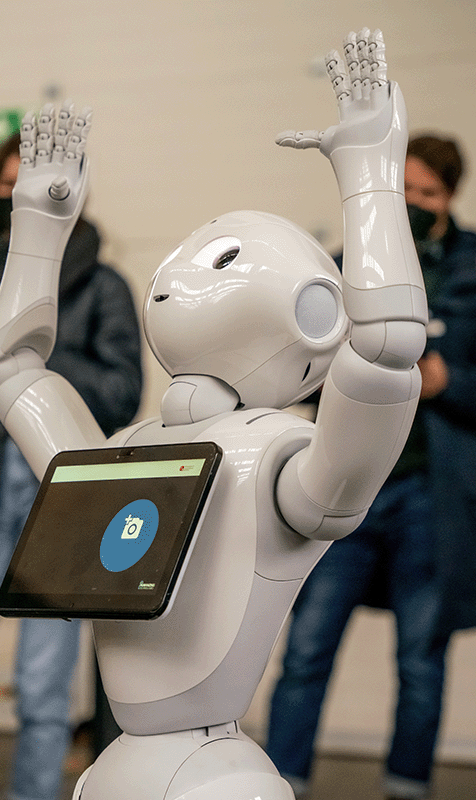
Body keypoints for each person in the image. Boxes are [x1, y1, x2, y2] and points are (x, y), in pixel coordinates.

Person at [0, 131, 143, 800]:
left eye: (33, 182)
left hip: (63, 509)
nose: (19, 195)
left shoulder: (103, 286)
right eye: (7, 183)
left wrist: (25, 347)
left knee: (44, 700)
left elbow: (123, 394)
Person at [265, 133, 476, 800]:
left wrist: (452, 379)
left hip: (431, 493)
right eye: (404, 190)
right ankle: (279, 785)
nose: (414, 204)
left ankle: (406, 788)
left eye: (428, 194)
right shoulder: (338, 266)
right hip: (348, 486)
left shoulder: (473, 266)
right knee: (304, 653)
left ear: (449, 198)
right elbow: (295, 370)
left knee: (421, 661)